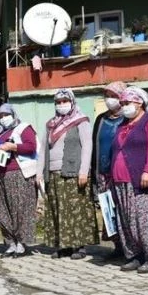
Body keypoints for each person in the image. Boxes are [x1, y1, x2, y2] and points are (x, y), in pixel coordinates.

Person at [110, 86, 148, 274]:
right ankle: (135, 255)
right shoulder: (122, 124)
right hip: (120, 181)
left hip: (141, 180)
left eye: (127, 103)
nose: (123, 107)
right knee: (126, 221)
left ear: (139, 103)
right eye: (122, 104)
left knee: (145, 220)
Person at [37, 89, 99, 260]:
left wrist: (84, 171)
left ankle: (79, 246)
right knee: (57, 209)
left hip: (74, 173)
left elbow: (87, 146)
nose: (62, 105)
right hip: (53, 173)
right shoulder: (50, 124)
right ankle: (63, 245)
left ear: (72, 102)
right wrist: (39, 172)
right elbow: (43, 149)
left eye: (65, 101)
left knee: (75, 209)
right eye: (58, 102)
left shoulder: (81, 121)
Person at [0, 104, 38, 258]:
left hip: (16, 173)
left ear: (13, 114)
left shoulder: (23, 128)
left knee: (19, 209)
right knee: (2, 210)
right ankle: (10, 242)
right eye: (0, 116)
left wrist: (13, 146)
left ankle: (22, 243)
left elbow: (31, 147)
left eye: (6, 114)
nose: (3, 118)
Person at [92, 81, 127, 259]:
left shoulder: (128, 118)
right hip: (103, 172)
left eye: (113, 96)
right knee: (109, 210)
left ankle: (131, 246)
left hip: (122, 173)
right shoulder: (101, 119)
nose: (109, 100)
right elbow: (94, 145)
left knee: (124, 209)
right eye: (107, 96)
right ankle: (118, 245)